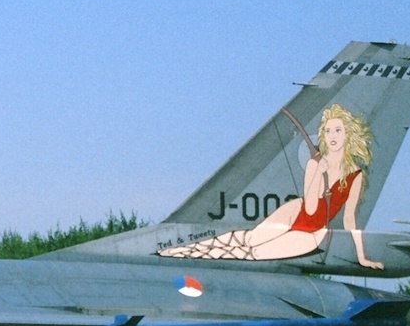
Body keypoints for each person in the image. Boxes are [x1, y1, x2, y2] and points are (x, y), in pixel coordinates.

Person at [159, 104, 384, 270]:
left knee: (255, 253)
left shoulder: (356, 175)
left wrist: (362, 257)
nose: (332, 136)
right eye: (328, 131)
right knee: (246, 240)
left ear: (348, 134)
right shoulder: (314, 163)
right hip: (296, 211)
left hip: (312, 232)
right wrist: (318, 172)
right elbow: (311, 205)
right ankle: (181, 251)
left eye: (338, 130)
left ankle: (182, 252)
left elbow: (349, 220)